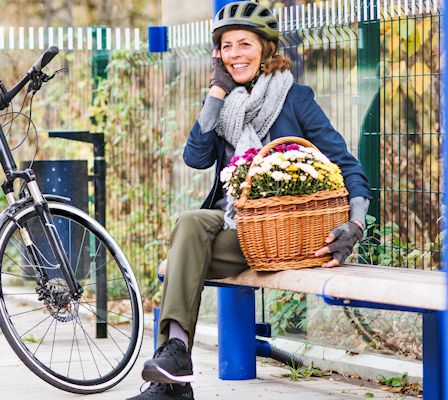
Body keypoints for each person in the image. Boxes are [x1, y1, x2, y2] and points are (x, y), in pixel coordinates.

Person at [127, 1, 373, 399]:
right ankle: (174, 359)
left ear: (265, 49)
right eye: (226, 46)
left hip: (282, 235)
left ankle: (171, 388)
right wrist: (216, 93)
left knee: (184, 252)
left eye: (244, 44)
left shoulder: (296, 99)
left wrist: (356, 224)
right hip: (233, 227)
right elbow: (195, 157)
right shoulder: (224, 102)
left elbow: (346, 164)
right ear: (217, 55)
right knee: (190, 223)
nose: (235, 54)